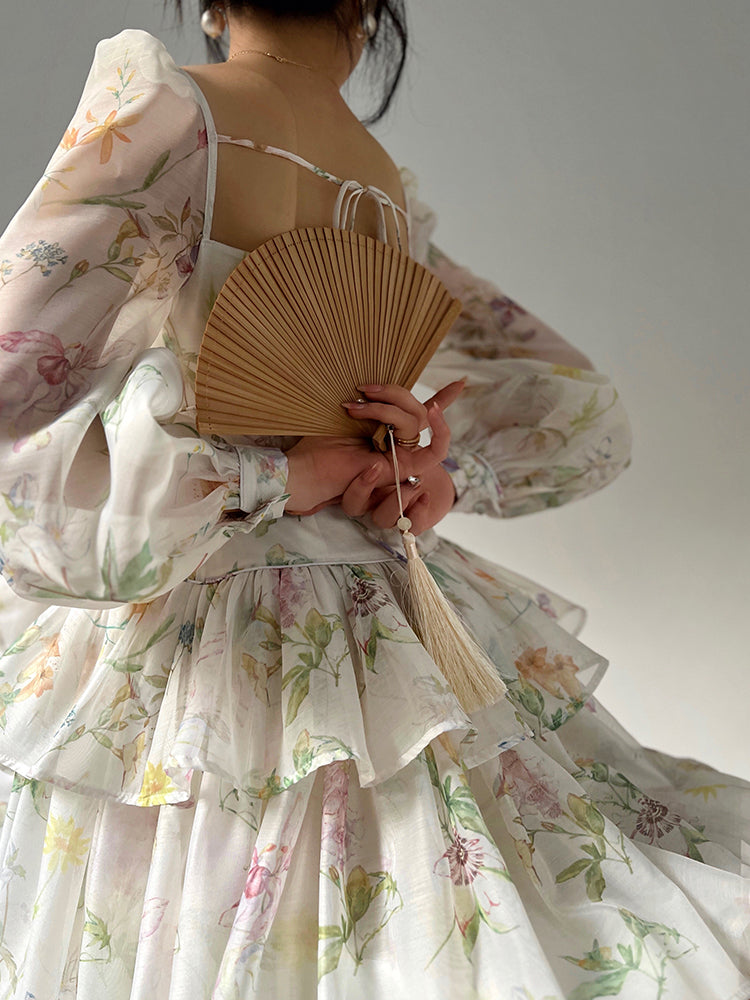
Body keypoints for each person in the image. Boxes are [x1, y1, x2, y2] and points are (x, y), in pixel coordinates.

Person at [0, 1, 746, 997]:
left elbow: (14, 380)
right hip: (384, 609)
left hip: (204, 620)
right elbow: (583, 414)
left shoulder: (170, 116)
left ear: (212, 5)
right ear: (368, 10)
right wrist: (437, 470)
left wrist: (263, 476)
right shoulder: (382, 185)